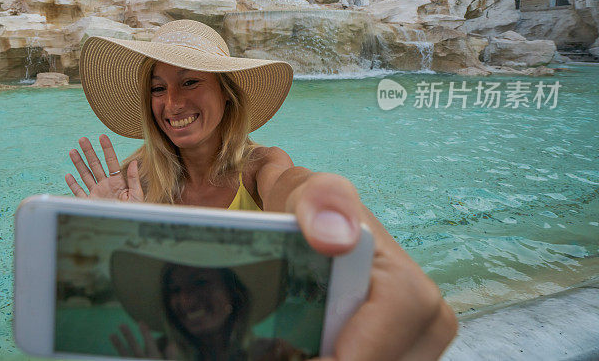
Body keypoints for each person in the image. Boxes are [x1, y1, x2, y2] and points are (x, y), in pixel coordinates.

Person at [66, 19, 458, 360]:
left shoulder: (260, 168)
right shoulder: (134, 184)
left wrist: (313, 193)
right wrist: (111, 229)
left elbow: (290, 184)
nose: (171, 103)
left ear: (226, 92)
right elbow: (111, 298)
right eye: (157, 88)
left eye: (189, 82)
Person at [108, 246, 304, 360]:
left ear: (234, 293)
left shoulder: (275, 355)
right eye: (174, 290)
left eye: (200, 282)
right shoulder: (156, 356)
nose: (185, 300)